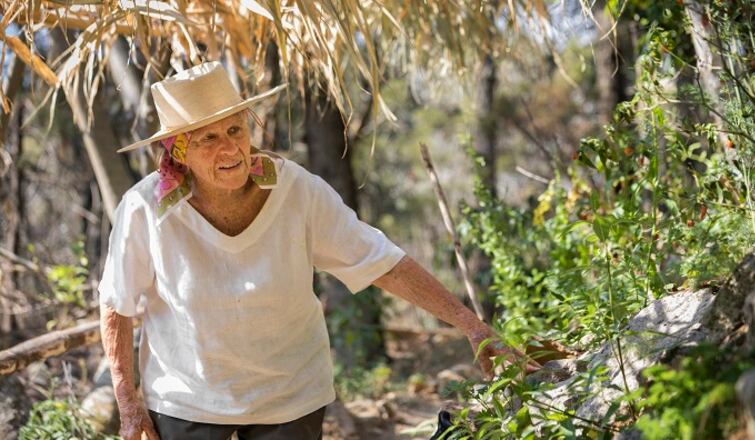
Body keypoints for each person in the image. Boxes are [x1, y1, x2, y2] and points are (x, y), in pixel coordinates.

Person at [98, 62, 541, 440]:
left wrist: (471, 326)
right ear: (177, 151)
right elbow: (116, 305)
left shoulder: (297, 190)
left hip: (290, 395)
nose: (230, 147)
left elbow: (383, 263)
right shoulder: (145, 208)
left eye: (235, 128)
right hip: (186, 399)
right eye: (207, 139)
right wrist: (128, 400)